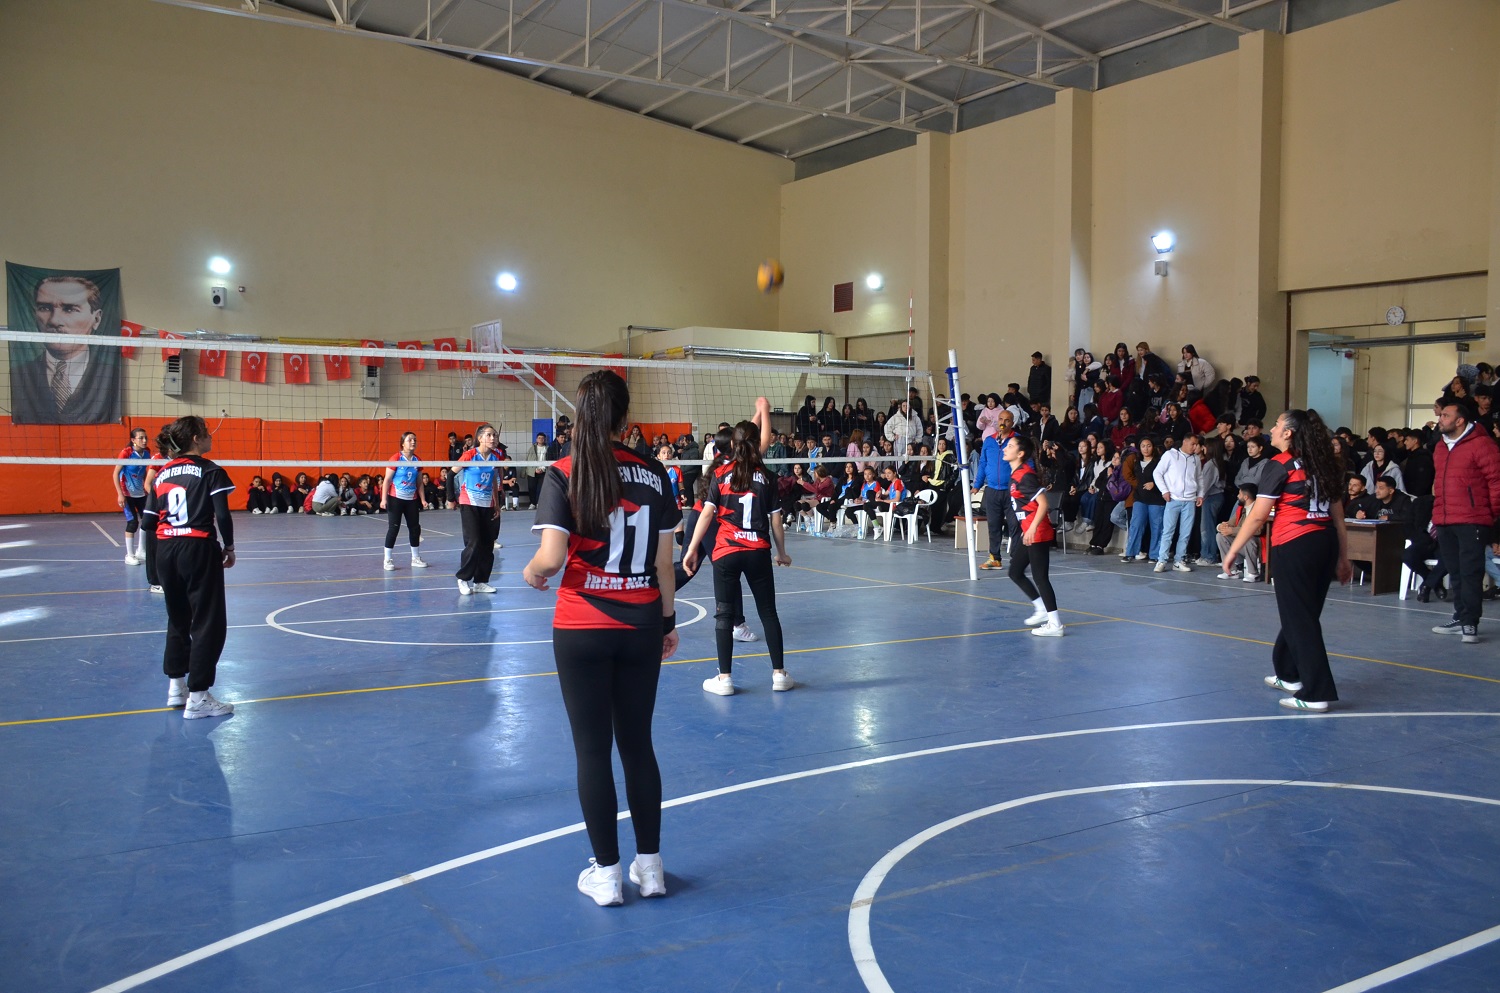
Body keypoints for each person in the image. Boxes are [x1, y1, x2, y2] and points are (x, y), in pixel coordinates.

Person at [522, 370, 680, 907]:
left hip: (582, 628)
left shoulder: (564, 472)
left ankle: (608, 875)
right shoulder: (655, 474)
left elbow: (550, 558)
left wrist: (531, 573)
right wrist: (667, 622)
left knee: (592, 750)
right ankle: (651, 869)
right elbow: (664, 563)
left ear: (580, 417)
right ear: (625, 420)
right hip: (639, 624)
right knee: (638, 746)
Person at [1224, 409, 1352, 712]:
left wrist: (1233, 549)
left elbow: (1257, 516)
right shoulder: (1323, 464)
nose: (1272, 428)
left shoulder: (1279, 465)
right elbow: (1338, 518)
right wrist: (1344, 557)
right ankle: (1289, 673)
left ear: (1289, 433)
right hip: (1325, 543)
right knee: (1301, 614)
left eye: (1278, 424)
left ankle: (1317, 692)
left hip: (1294, 545)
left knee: (1299, 619)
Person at [683, 399, 793, 696]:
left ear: (733, 444)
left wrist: (693, 547)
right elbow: (777, 521)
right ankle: (779, 675)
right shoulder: (767, 477)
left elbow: (707, 513)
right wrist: (781, 553)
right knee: (769, 613)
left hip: (727, 552)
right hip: (757, 551)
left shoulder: (720, 473)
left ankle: (725, 679)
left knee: (723, 615)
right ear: (757, 445)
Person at [141, 416, 236, 719]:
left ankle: (176, 686)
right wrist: (229, 547)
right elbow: (222, 515)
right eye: (207, 433)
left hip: (165, 551)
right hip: (198, 548)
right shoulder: (210, 471)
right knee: (208, 621)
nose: (211, 437)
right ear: (195, 438)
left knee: (178, 617)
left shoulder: (162, 473)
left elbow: (146, 522)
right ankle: (198, 697)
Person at [1429, 396, 1500, 644]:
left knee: (1471, 572)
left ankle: (1470, 623)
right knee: (1455, 572)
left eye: (1445, 416)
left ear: (1460, 420)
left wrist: (1491, 517)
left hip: (1473, 518)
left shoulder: (1482, 445)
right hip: (1446, 518)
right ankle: (1460, 617)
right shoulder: (1440, 446)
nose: (1440, 419)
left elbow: (1496, 482)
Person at [11, 274, 121, 424]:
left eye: (69, 309)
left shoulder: (113, 375)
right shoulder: (19, 374)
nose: (55, 321)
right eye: (44, 308)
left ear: (96, 319)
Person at [1004, 435, 1064, 637]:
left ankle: (1055, 624)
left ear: (1020, 453)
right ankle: (1040, 609)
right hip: (1029, 530)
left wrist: (1030, 529)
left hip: (1036, 531)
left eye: (1010, 446)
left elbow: (1044, 504)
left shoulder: (1025, 476)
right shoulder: (1016, 474)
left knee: (1040, 577)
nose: (1005, 448)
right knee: (1015, 571)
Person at [453, 422, 504, 595]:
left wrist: (496, 504)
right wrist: (451, 499)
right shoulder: (469, 455)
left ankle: (481, 581)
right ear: (480, 438)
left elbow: (494, 483)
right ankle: (463, 578)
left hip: (488, 505)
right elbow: (452, 473)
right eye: (489, 435)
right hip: (469, 504)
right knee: (473, 542)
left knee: (487, 545)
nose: (493, 438)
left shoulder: (496, 457)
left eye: (495, 435)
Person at [1153, 433, 1202, 573]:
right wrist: (1164, 491)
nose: (1195, 447)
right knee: (1168, 531)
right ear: (1185, 442)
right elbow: (1157, 473)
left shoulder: (1196, 459)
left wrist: (1200, 494)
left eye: (1196, 444)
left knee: (1185, 533)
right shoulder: (1170, 455)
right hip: (1173, 499)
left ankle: (1179, 560)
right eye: (1193, 444)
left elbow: (1200, 478)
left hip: (1190, 500)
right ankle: (1161, 560)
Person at [380, 431, 427, 571]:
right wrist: (383, 499)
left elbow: (419, 482)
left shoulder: (418, 461)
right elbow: (387, 480)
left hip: (411, 499)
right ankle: (387, 559)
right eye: (410, 440)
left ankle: (415, 558)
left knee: (414, 528)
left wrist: (423, 499)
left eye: (415, 440)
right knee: (394, 528)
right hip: (395, 499)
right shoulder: (396, 458)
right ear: (402, 443)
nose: (413, 442)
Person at [112, 427, 153, 566]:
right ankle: (129, 555)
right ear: (133, 440)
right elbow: (115, 474)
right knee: (133, 522)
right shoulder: (126, 453)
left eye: (145, 437)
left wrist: (147, 487)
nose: (144, 440)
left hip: (141, 493)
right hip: (127, 493)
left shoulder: (147, 453)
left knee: (148, 521)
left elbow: (146, 472)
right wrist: (120, 494)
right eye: (141, 438)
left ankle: (141, 551)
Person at [1215, 484, 1263, 582]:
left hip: (1257, 545)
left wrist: (1233, 531)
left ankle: (1253, 573)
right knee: (1220, 536)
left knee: (1249, 538)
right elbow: (1229, 523)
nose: (1237, 496)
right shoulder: (1241, 509)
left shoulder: (1259, 509)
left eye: (1239, 494)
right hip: (1242, 545)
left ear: (1246, 497)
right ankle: (1231, 571)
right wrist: (1220, 527)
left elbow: (1257, 530)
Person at [529, 432, 550, 509]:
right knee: (532, 487)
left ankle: (539, 503)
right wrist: (534, 469)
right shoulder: (532, 448)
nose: (541, 439)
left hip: (543, 471)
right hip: (533, 471)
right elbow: (528, 459)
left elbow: (548, 460)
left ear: (545, 439)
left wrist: (543, 469)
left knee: (541, 488)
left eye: (542, 438)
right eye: (539, 438)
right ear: (536, 439)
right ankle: (532, 503)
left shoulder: (548, 448)